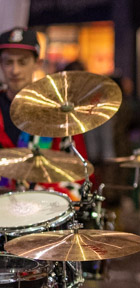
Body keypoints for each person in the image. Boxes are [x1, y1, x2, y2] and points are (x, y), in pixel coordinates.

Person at [0, 27, 88, 190]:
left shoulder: (58, 113)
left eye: (23, 62)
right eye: (8, 62)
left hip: (44, 209)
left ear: (37, 64)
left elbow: (77, 175)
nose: (15, 70)